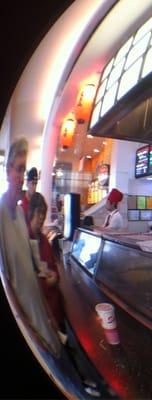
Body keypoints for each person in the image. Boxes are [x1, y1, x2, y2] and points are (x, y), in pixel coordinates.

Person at [0, 138, 61, 354]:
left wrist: (47, 312)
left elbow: (30, 265)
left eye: (23, 171)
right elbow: (6, 284)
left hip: (37, 311)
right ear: (7, 171)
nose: (20, 178)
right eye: (17, 169)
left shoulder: (18, 212)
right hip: (25, 323)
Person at [28, 192, 65, 331]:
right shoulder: (25, 241)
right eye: (39, 213)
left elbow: (55, 270)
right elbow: (27, 284)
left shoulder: (44, 240)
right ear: (31, 213)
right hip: (41, 314)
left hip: (54, 313)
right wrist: (49, 281)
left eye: (44, 213)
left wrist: (54, 277)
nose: (42, 217)